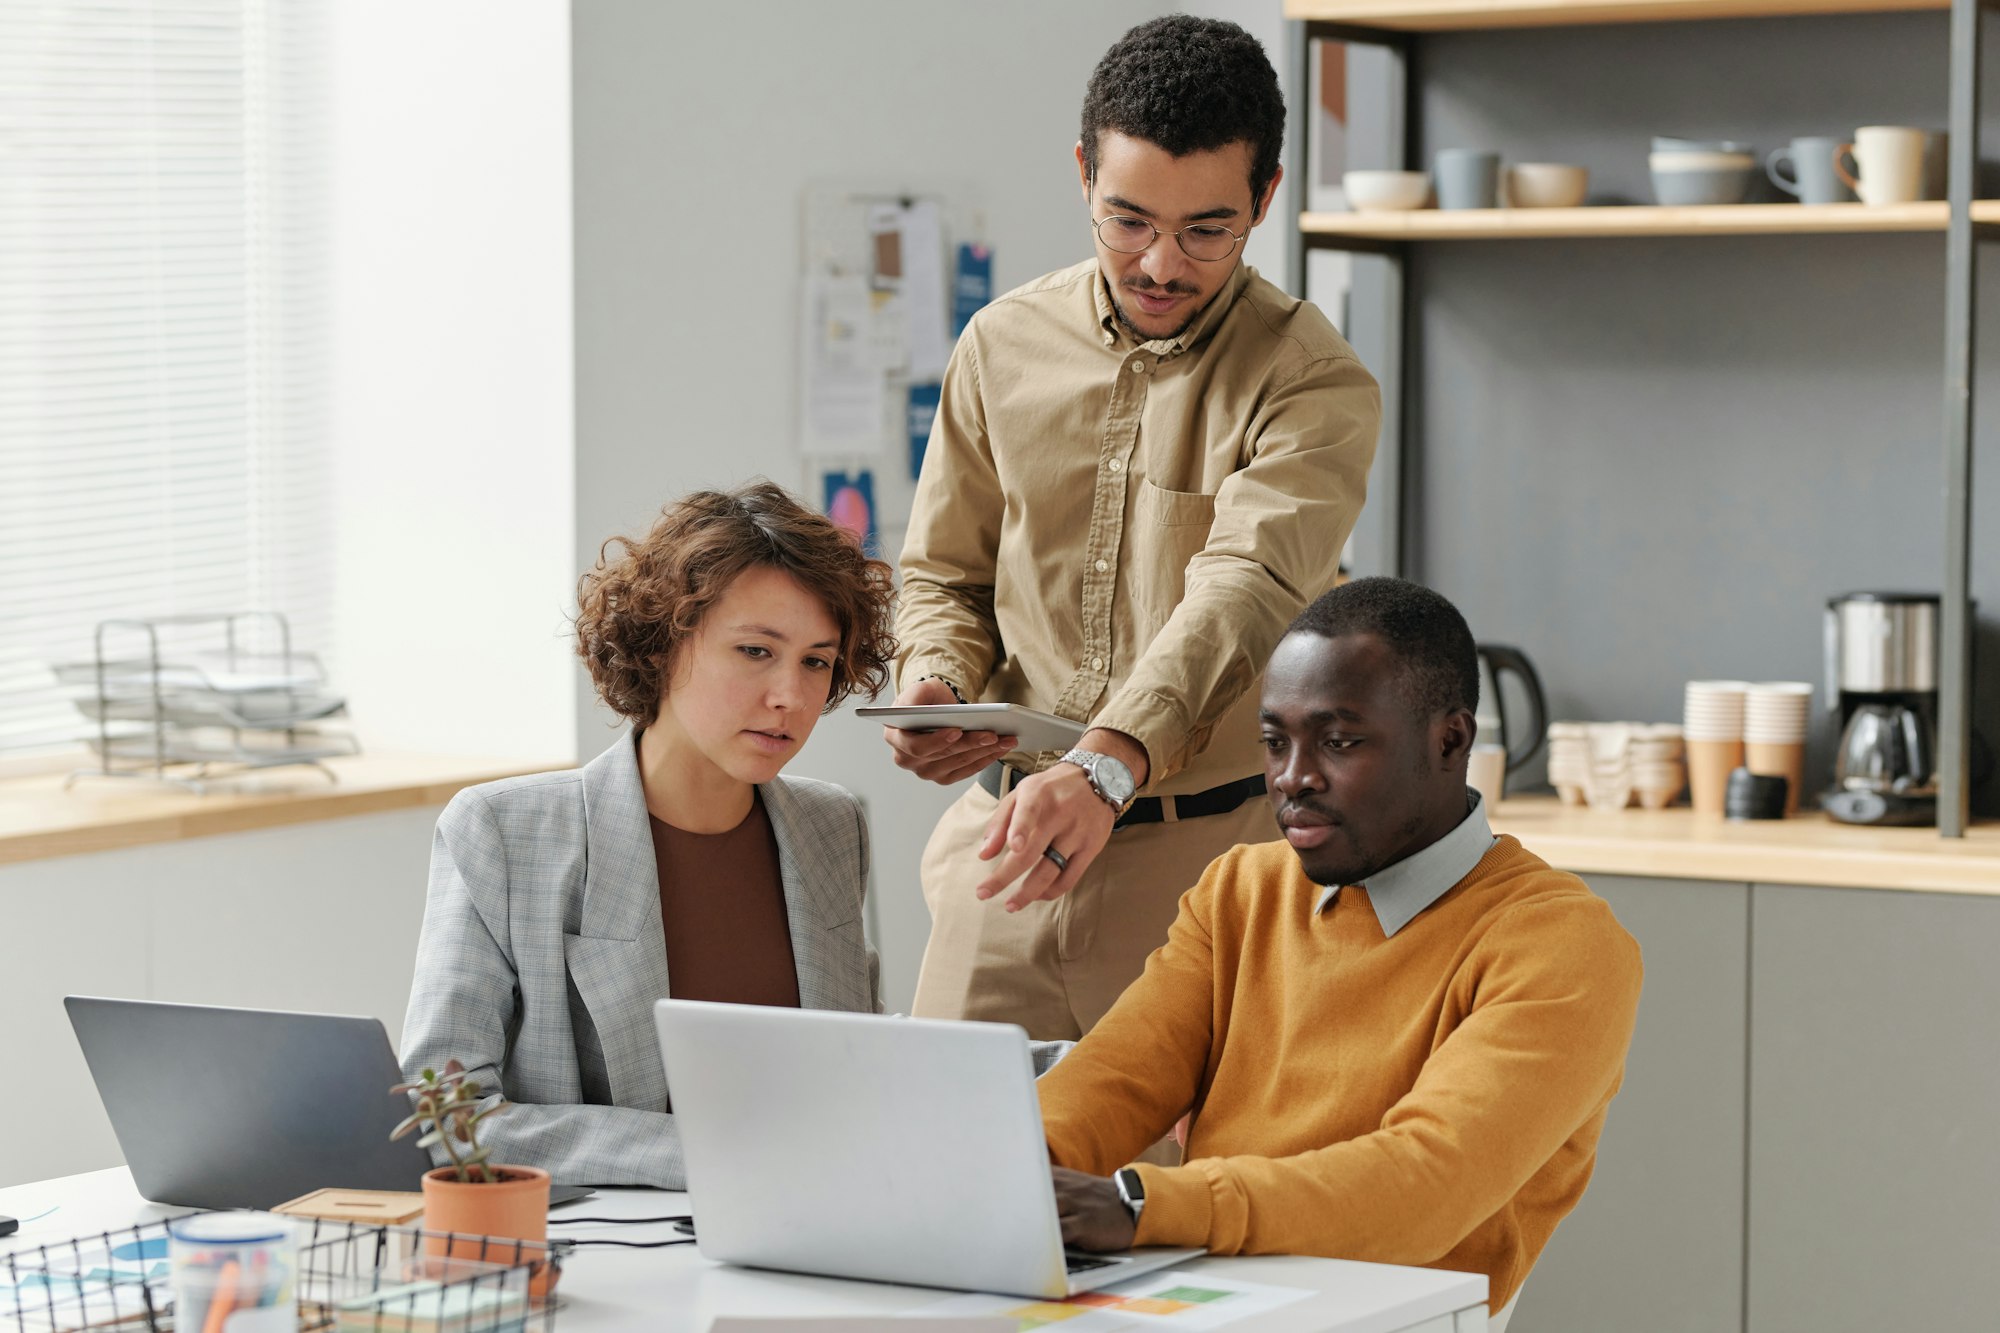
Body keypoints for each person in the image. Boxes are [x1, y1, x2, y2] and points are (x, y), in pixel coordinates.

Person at [887, 15, 1382, 1042]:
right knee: (936, 1184)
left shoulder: (1311, 381)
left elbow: (1243, 592)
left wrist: (1106, 764)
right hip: (1005, 855)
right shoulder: (999, 343)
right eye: (1126, 221)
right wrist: (934, 681)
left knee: (1178, 1203)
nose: (1159, 263)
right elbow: (942, 569)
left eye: (1205, 230)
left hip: (1208, 874)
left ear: (1264, 198)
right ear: (1081, 173)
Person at [1035, 578, 1644, 1327]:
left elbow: (1427, 1182)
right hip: (1210, 1298)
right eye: (1275, 741)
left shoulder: (1560, 942)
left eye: (1339, 741)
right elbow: (1113, 1079)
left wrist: (1141, 1204)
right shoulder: (1240, 890)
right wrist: (1008, 1166)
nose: (1294, 777)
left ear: (1450, 740)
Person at [400, 481, 896, 1187]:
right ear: (664, 642)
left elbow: (858, 1067)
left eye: (817, 660)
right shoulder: (502, 833)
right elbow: (447, 1117)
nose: (790, 695)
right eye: (756, 650)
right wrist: (713, 1155)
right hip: (612, 1263)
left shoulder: (831, 826)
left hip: (821, 1227)